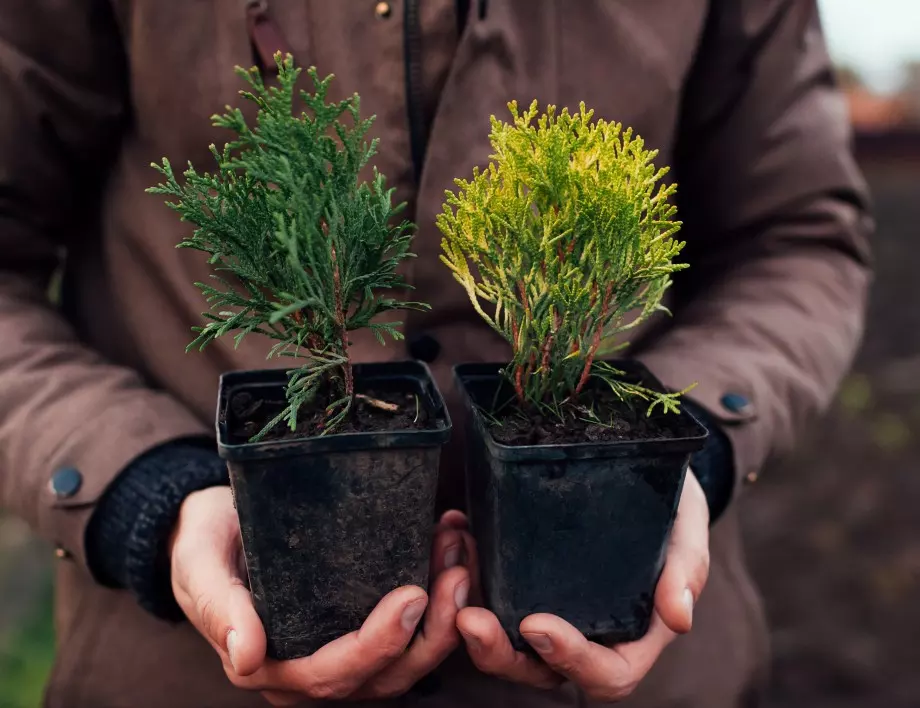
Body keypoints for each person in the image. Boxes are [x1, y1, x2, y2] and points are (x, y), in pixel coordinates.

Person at [0, 1, 871, 706]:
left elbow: (794, 237)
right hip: (177, 674)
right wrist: (142, 493)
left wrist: (686, 447)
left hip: (660, 677)